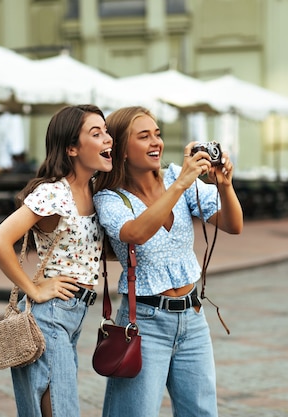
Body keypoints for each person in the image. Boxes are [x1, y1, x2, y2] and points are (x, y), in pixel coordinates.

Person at [93, 106, 243, 417]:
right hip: (144, 323)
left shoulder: (176, 176)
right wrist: (181, 185)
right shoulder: (110, 198)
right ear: (120, 149)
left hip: (193, 319)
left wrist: (225, 185)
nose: (156, 143)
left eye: (158, 135)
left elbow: (234, 225)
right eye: (144, 136)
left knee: (201, 413)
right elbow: (135, 233)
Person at [0, 104, 113, 417]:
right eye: (96, 133)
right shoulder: (55, 193)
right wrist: (34, 288)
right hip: (52, 316)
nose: (107, 139)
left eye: (106, 131)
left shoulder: (95, 190)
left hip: (74, 315)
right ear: (72, 148)